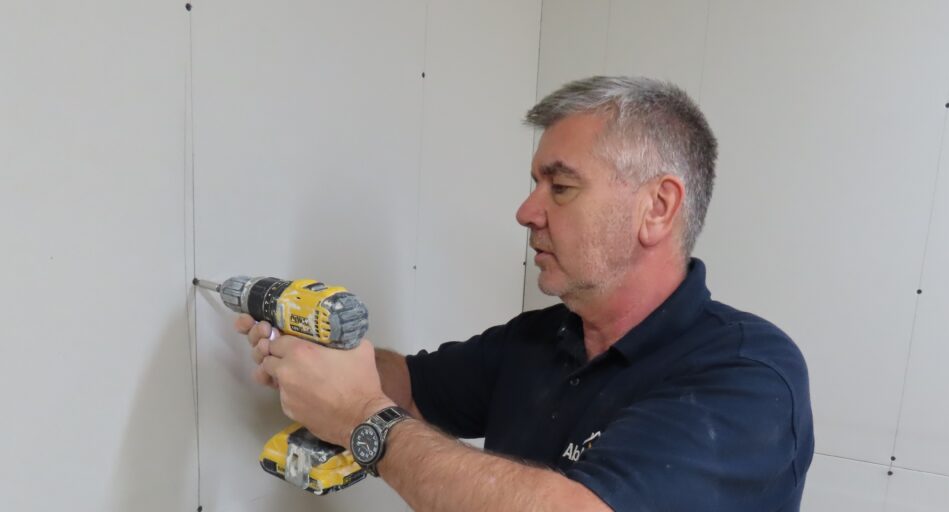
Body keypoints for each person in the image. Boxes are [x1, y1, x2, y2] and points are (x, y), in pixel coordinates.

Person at [237, 76, 814, 511]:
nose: (526, 211)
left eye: (560, 186)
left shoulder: (749, 376)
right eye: (535, 183)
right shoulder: (539, 339)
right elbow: (410, 388)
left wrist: (363, 419)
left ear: (657, 208)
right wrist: (321, 356)